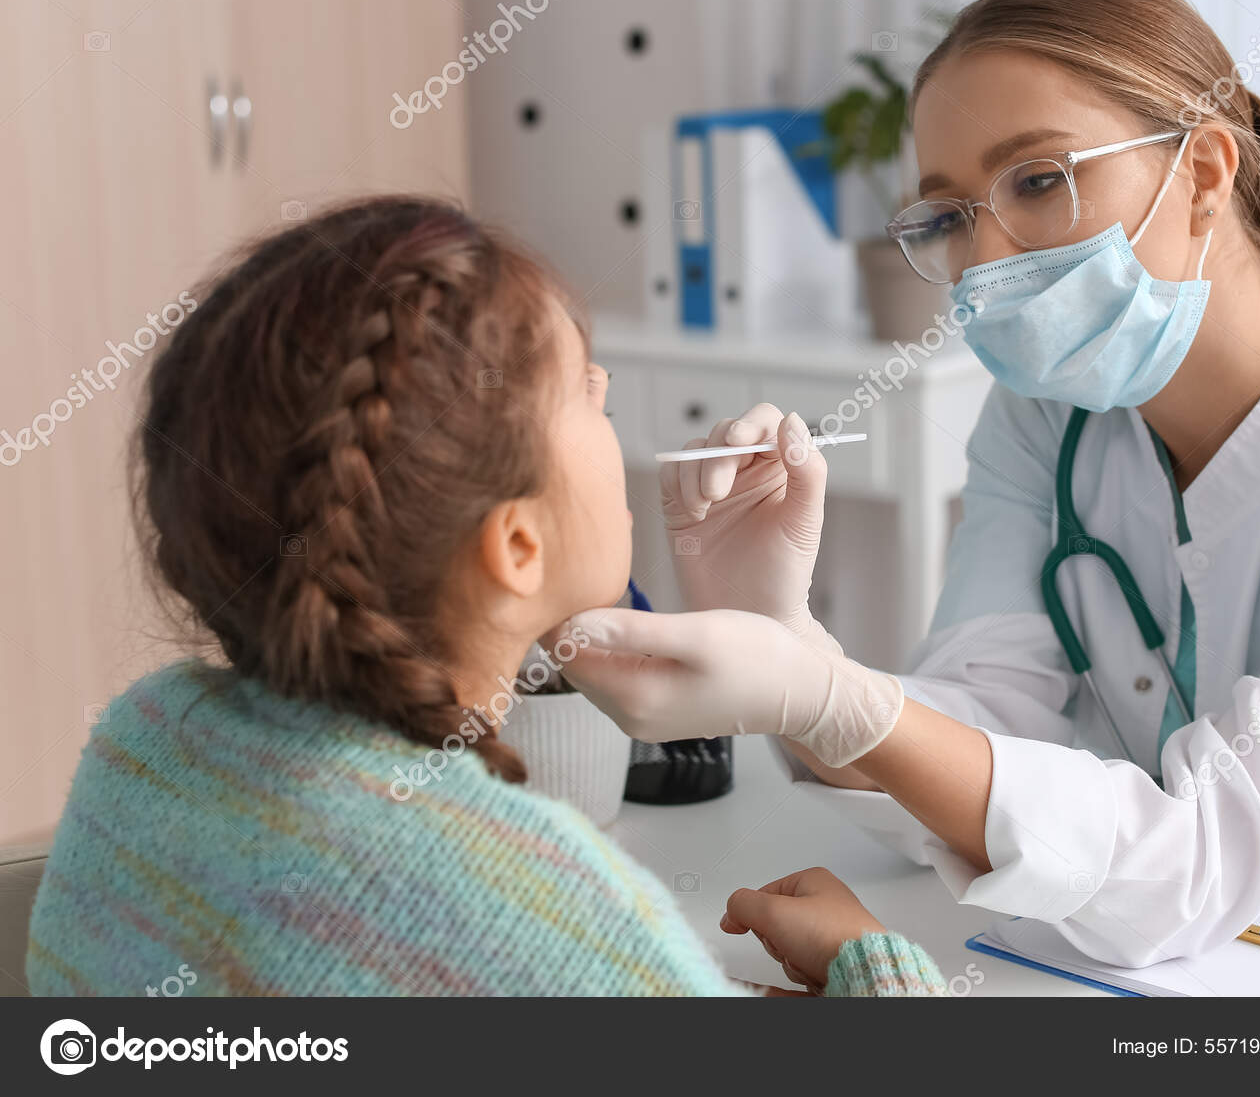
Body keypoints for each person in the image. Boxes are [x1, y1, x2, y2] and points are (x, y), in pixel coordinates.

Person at [558, 0, 1260, 968]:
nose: (992, 261)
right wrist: (787, 652)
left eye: (1040, 181)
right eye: (953, 216)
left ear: (1202, 170)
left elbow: (1192, 855)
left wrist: (837, 700)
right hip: (1204, 926)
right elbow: (974, 721)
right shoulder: (1040, 417)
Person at [26, 197, 943, 997]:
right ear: (515, 544)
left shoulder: (144, 746)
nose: (608, 391)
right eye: (583, 387)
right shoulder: (548, 913)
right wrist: (877, 961)